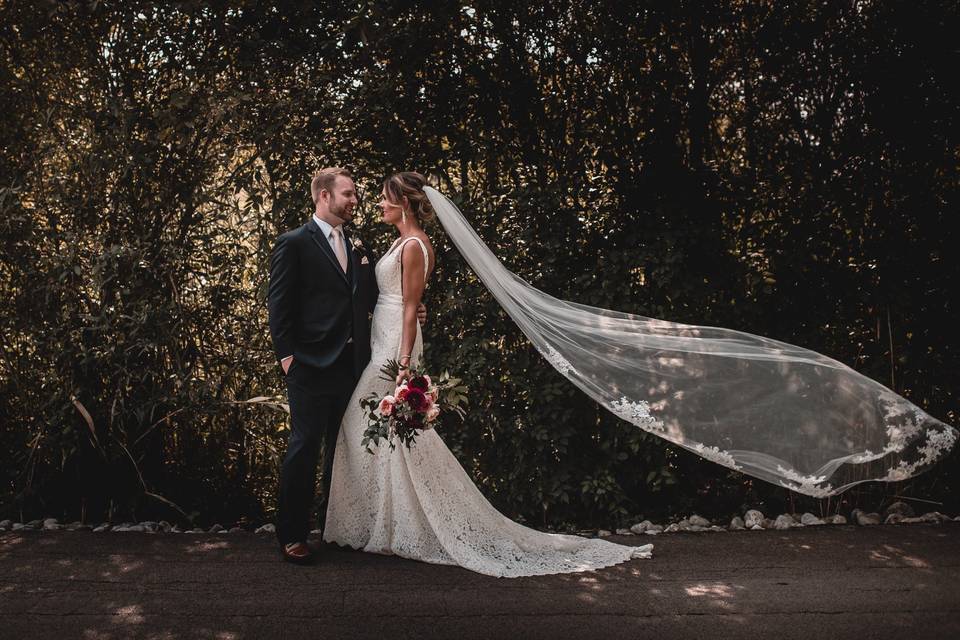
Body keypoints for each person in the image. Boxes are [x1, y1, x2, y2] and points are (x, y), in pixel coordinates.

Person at [322, 172, 653, 577]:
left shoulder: (413, 245)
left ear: (404, 203)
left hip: (395, 345)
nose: (378, 204)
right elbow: (402, 300)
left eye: (385, 199)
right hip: (385, 334)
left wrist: (404, 364)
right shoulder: (399, 241)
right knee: (387, 433)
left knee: (373, 424)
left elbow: (410, 308)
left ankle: (413, 521)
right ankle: (387, 523)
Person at [267, 167, 425, 565]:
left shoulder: (358, 244)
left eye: (354, 195)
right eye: (348, 194)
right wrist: (288, 359)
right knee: (304, 446)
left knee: (346, 448)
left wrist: (414, 306)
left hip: (354, 366)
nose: (355, 201)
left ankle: (334, 527)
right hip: (308, 365)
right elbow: (278, 306)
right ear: (324, 197)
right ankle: (292, 535)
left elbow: (378, 295)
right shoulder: (294, 243)